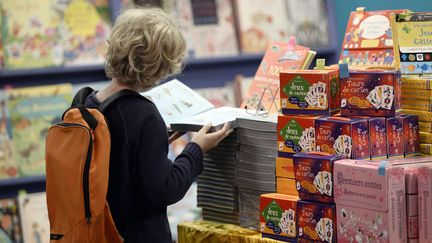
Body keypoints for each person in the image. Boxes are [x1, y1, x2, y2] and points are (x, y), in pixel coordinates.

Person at [83, 6, 231, 242]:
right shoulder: (143, 114)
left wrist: (156, 140)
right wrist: (196, 149)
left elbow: (121, 159)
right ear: (159, 64)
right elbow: (165, 189)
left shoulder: (88, 101)